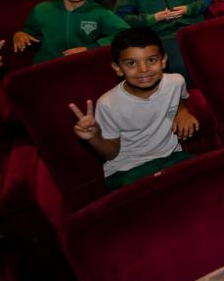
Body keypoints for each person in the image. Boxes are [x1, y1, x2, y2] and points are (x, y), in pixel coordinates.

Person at [68, 28, 196, 190]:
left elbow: (178, 98)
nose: (143, 70)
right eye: (131, 63)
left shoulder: (176, 82)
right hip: (126, 169)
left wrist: (182, 111)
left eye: (151, 60)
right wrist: (94, 137)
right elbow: (111, 154)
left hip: (172, 156)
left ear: (163, 61)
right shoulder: (107, 104)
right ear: (117, 68)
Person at [13, 0, 129, 64]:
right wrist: (20, 34)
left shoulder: (100, 13)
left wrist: (92, 48)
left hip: (81, 64)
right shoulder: (42, 9)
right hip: (45, 66)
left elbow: (126, 34)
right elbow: (29, 32)